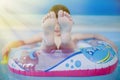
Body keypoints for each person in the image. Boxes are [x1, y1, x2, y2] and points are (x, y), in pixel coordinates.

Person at [1, 4, 118, 66]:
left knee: (69, 44)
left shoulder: (75, 37)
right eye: (54, 25)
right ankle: (49, 41)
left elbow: (94, 35)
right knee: (45, 46)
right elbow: (24, 42)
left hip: (69, 48)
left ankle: (63, 40)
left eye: (61, 25)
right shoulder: (41, 35)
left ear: (68, 23)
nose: (57, 28)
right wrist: (9, 46)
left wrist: (108, 42)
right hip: (47, 50)